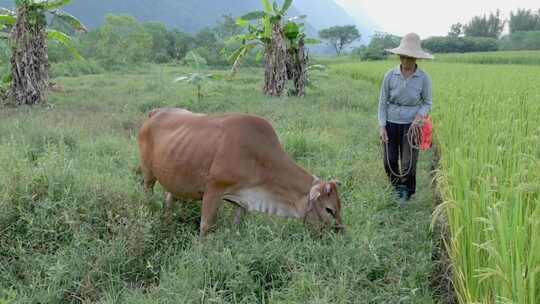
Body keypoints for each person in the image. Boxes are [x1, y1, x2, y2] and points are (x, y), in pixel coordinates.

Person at [378, 33, 433, 203]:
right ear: (400, 56)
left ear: (416, 58)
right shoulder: (390, 75)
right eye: (403, 57)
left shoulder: (424, 78)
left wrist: (419, 117)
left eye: (410, 58)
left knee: (409, 164)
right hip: (391, 123)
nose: (406, 61)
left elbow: (427, 102)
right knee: (390, 161)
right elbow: (382, 102)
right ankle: (395, 187)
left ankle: (407, 192)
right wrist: (382, 126)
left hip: (412, 126)